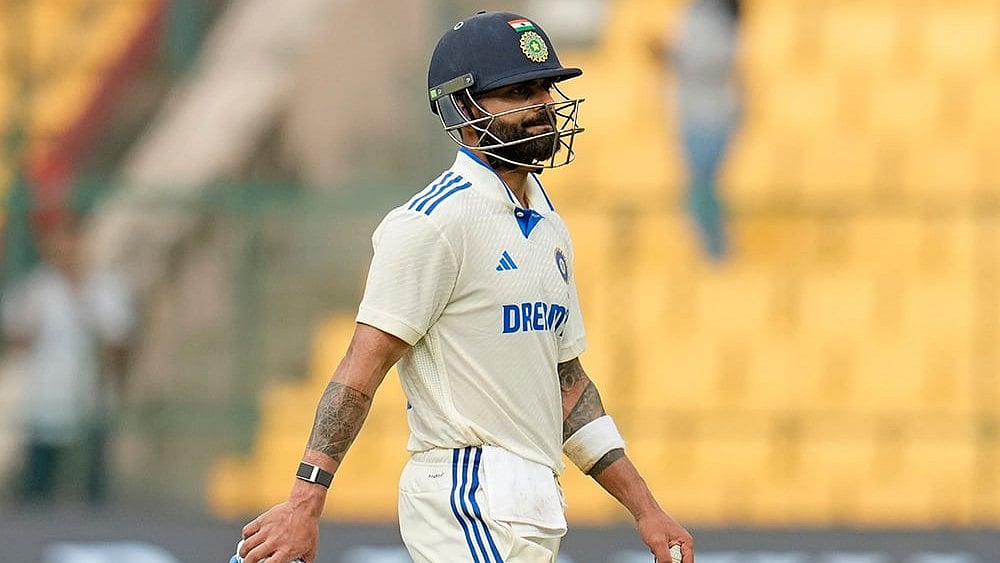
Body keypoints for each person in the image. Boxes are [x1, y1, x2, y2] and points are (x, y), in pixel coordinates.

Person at [239, 11, 694, 563]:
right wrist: (304, 502)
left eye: (545, 87)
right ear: (463, 107)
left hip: (534, 503)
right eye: (518, 92)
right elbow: (361, 369)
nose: (545, 105)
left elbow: (568, 387)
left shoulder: (549, 225)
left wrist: (645, 508)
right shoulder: (432, 223)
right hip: (466, 492)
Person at [1, 208, 135, 505]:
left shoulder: (105, 288)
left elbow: (119, 342)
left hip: (91, 400)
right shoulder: (38, 288)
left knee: (92, 486)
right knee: (39, 485)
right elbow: (17, 339)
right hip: (47, 400)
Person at [657, 0, 742, 261]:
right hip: (692, 116)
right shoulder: (696, 11)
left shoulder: (718, 14)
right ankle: (712, 255)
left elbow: (715, 59)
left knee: (702, 191)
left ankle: (718, 255)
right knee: (698, 191)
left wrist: (672, 53)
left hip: (712, 118)